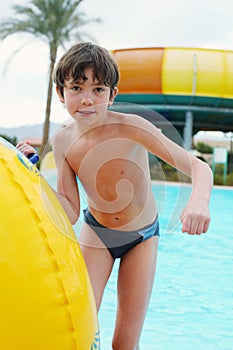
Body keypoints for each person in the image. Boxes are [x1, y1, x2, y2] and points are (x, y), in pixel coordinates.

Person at [17, 42, 213, 350]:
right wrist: (33, 178)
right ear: (60, 93)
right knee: (75, 327)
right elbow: (68, 210)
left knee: (123, 344)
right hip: (96, 234)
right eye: (77, 87)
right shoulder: (63, 140)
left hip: (142, 237)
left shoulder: (132, 127)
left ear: (112, 95)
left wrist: (198, 201)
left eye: (98, 89)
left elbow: (199, 168)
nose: (86, 99)